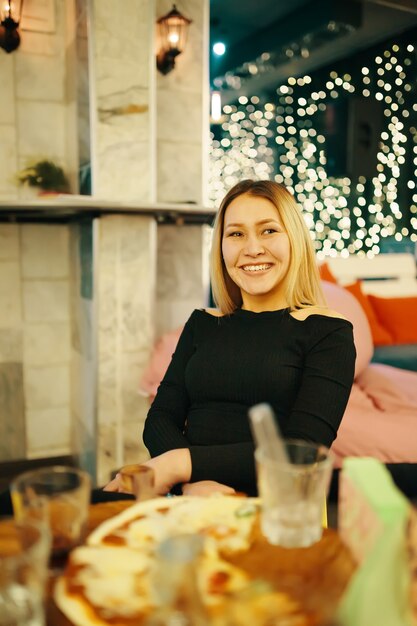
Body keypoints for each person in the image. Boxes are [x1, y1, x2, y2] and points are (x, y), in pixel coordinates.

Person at [105, 179, 356, 497]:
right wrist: (193, 486)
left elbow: (301, 450)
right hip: (187, 497)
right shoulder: (202, 324)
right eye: (236, 233)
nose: (252, 249)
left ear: (294, 239)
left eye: (268, 231)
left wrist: (178, 465)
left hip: (271, 508)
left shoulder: (329, 333)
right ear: (221, 247)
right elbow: (160, 418)